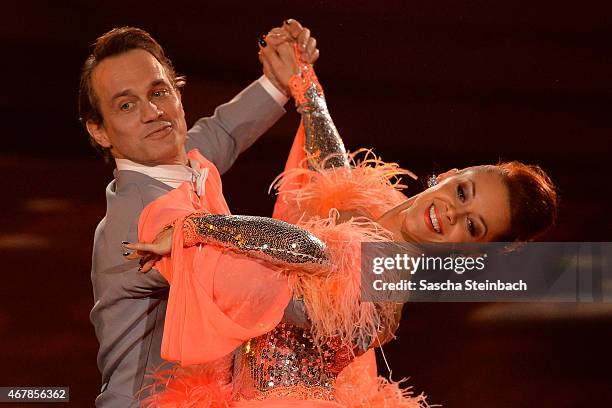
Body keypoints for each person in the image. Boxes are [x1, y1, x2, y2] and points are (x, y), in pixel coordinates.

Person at [127, 41, 558, 407]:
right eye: (463, 193)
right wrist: (302, 80)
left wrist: (196, 229)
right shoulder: (375, 205)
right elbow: (333, 167)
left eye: (474, 227)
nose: (452, 213)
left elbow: (308, 248)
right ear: (448, 176)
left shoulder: (386, 281)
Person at [81, 20, 320, 407]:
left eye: (158, 92)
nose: (152, 112)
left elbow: (222, 132)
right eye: (127, 105)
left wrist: (279, 80)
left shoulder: (176, 162)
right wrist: (360, 286)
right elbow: (248, 286)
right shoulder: (146, 217)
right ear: (100, 131)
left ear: (177, 91)